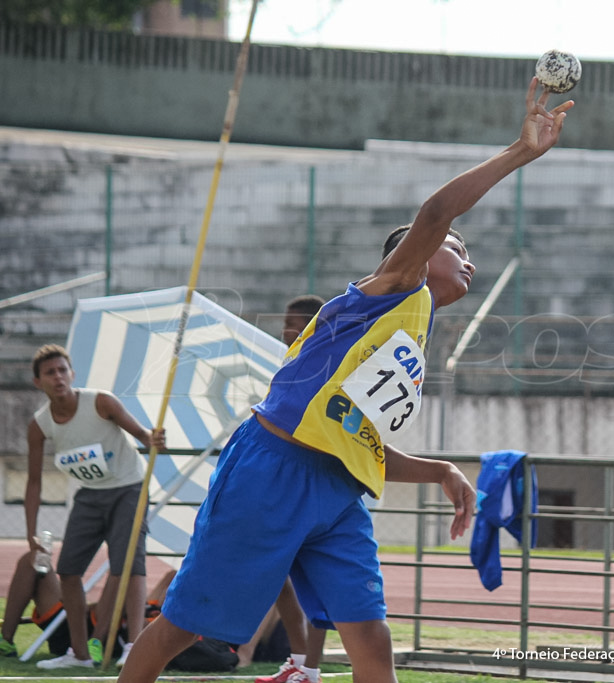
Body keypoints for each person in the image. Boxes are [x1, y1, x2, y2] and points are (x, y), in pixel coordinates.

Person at [117, 77, 573, 683]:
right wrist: (521, 153)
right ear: (415, 252)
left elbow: (355, 437)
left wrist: (438, 469)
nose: (469, 260)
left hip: (336, 488)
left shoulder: (414, 333)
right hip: (271, 470)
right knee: (184, 626)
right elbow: (437, 213)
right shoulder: (394, 287)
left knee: (370, 634)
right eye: (456, 248)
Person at [27, 344, 166, 669]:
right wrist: (32, 531)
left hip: (129, 490)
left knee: (129, 566)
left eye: (63, 370)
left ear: (72, 374)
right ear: (38, 382)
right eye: (50, 373)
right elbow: (33, 482)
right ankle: (79, 654)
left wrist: (153, 438)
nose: (58, 377)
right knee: (69, 570)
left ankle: (134, 644)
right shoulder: (40, 425)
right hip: (89, 495)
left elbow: (143, 436)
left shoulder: (101, 401)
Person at [252, 293, 329, 682]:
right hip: (281, 481)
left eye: (291, 322)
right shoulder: (289, 360)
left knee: (318, 581)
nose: (284, 329)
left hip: (317, 482)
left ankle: (310, 667)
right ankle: (300, 660)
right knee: (279, 574)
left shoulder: (325, 361)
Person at [0, 548, 120, 659]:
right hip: (69, 623)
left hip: (104, 633)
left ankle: (95, 643)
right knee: (35, 559)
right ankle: (6, 640)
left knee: (123, 567)